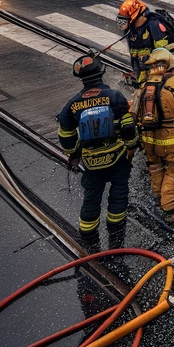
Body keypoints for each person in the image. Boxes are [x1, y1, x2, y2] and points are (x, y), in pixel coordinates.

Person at [58, 55, 139, 238]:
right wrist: (131, 147)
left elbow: (65, 133)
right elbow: (127, 126)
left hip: (91, 162)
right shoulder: (114, 96)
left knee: (91, 198)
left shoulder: (72, 104)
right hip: (117, 158)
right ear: (102, 72)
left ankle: (87, 234)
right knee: (118, 194)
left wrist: (73, 153)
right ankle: (116, 229)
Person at [134, 48, 174, 222]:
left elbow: (133, 115)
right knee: (171, 192)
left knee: (158, 178)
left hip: (151, 147)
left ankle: (164, 200)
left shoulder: (144, 88)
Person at [116, 0, 174, 85]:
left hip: (155, 69)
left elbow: (163, 54)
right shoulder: (132, 29)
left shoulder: (153, 25)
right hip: (140, 66)